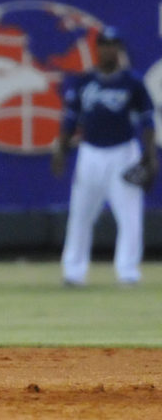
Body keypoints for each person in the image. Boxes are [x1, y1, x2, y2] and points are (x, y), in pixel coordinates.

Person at [51, 26, 157, 287]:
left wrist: (150, 158)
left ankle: (128, 272)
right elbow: (70, 121)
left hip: (124, 152)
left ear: (119, 49)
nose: (109, 48)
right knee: (80, 214)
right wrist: (61, 151)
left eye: (113, 44)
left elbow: (148, 123)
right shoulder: (84, 81)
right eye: (104, 43)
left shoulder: (132, 82)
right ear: (96, 48)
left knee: (130, 216)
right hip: (90, 154)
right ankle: (74, 272)